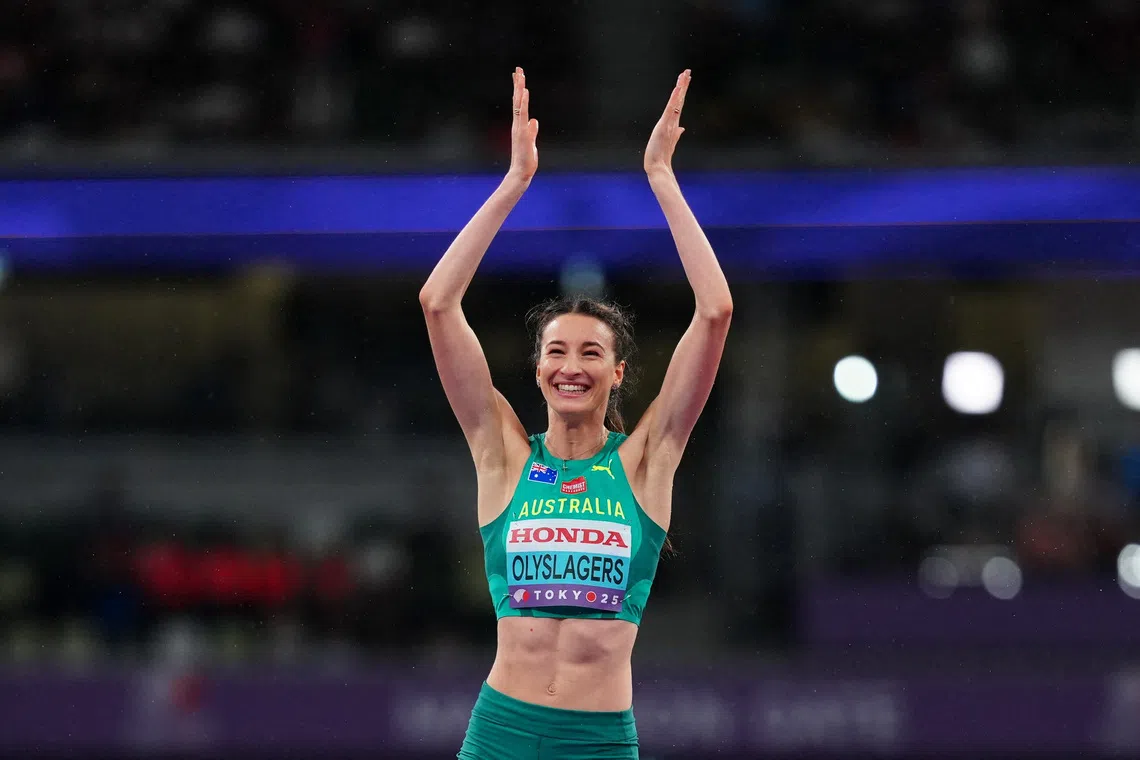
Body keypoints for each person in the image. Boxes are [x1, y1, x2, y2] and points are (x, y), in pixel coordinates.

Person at [420, 67, 732, 760]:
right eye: (556, 351)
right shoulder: (501, 453)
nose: (571, 365)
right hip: (501, 731)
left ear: (617, 373)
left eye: (591, 352)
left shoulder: (648, 460)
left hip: (597, 740)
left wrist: (662, 179)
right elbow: (439, 304)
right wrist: (512, 185)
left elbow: (714, 313)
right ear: (537, 370)